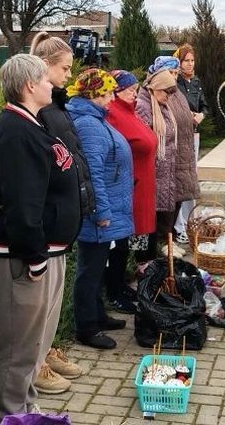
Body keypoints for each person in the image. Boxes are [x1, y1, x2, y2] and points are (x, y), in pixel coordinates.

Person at [0, 54, 81, 420]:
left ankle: (25, 407)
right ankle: (12, 414)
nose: (52, 84)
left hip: (45, 252)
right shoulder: (14, 132)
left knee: (34, 343)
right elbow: (23, 203)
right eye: (45, 78)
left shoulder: (32, 124)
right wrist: (36, 257)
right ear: (29, 85)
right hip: (23, 257)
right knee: (18, 347)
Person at [28, 32, 92, 392]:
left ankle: (47, 349)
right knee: (41, 303)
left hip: (64, 215)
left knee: (53, 300)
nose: (69, 74)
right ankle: (35, 363)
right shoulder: (43, 112)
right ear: (45, 67)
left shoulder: (57, 105)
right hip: (51, 218)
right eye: (65, 68)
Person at [66, 69, 134, 350]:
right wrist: (101, 213)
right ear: (92, 95)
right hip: (99, 213)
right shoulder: (89, 125)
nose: (111, 99)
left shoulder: (96, 118)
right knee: (90, 270)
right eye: (106, 94)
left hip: (109, 208)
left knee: (98, 266)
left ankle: (98, 315)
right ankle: (87, 327)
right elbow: (92, 173)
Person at [104, 69, 157, 312]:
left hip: (139, 185)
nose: (135, 94)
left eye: (136, 90)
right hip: (127, 187)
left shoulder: (130, 110)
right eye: (129, 90)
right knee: (119, 242)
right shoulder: (112, 115)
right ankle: (112, 290)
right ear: (114, 92)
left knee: (127, 240)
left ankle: (120, 284)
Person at [145, 56, 200, 258]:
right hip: (167, 160)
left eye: (176, 74)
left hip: (181, 154)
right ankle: (160, 244)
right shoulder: (152, 98)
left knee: (176, 201)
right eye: (171, 73)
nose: (174, 77)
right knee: (163, 207)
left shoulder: (176, 94)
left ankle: (167, 240)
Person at [135, 68, 180, 262]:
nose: (168, 97)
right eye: (165, 92)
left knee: (155, 223)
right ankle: (139, 262)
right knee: (143, 222)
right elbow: (142, 142)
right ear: (154, 88)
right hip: (148, 175)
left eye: (171, 93)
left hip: (163, 174)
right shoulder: (142, 107)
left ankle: (152, 262)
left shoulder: (162, 107)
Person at [173, 43, 208, 245]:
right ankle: (179, 225)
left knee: (191, 178)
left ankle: (190, 221)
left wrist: (202, 115)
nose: (190, 64)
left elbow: (204, 104)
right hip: (179, 136)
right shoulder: (174, 82)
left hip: (193, 134)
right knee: (181, 178)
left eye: (192, 60)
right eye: (186, 60)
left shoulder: (196, 81)